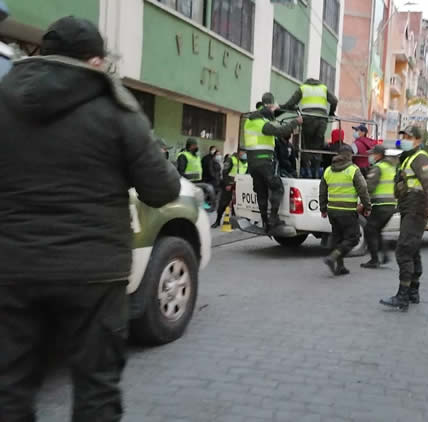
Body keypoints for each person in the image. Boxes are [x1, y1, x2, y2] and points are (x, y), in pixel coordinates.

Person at [0, 16, 181, 421]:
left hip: (12, 270)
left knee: (9, 387)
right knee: (96, 391)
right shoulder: (116, 110)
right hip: (94, 276)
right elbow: (162, 189)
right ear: (95, 61)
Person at [380, 126, 428, 311]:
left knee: (404, 250)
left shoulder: (420, 158)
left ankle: (402, 296)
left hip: (416, 209)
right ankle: (413, 291)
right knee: (412, 250)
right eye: (404, 136)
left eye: (409, 137)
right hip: (409, 208)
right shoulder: (406, 158)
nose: (405, 139)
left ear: (418, 140)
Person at [242, 93, 302, 232]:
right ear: (268, 106)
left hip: (253, 164)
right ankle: (273, 219)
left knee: (261, 191)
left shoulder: (250, 121)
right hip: (264, 162)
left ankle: (265, 222)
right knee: (277, 187)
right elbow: (281, 131)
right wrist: (295, 122)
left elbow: (271, 117)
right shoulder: (262, 124)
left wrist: (278, 109)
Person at [319, 145, 371, 275]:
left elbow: (322, 192)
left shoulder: (328, 171)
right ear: (349, 155)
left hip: (332, 211)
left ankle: (340, 267)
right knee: (353, 238)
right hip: (347, 210)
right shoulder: (353, 170)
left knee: (338, 238)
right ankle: (333, 258)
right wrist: (367, 206)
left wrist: (323, 208)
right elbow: (363, 189)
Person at [281, 77, 338, 178]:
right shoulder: (323, 88)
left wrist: (284, 108)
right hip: (322, 120)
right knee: (317, 147)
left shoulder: (303, 88)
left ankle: (307, 173)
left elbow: (290, 103)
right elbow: (334, 100)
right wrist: (331, 113)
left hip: (307, 119)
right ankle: (316, 174)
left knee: (306, 145)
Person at [361, 145, 398, 268]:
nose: (370, 156)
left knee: (369, 229)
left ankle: (374, 260)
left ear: (378, 155)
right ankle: (385, 255)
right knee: (376, 229)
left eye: (373, 154)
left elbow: (369, 187)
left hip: (381, 205)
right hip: (390, 205)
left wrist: (363, 203)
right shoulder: (391, 167)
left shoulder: (378, 168)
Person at [212, 151, 248, 228]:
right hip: (230, 185)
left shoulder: (246, 161)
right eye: (243, 152)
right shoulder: (231, 159)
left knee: (237, 205)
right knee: (223, 203)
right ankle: (218, 221)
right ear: (239, 152)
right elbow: (224, 172)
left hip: (240, 186)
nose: (244, 154)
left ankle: (234, 221)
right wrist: (227, 183)